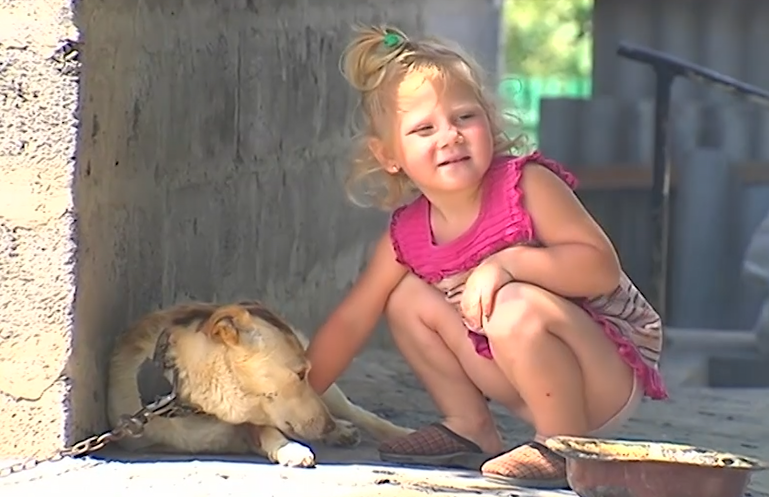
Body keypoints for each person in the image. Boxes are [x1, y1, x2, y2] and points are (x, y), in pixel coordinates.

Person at [296, 24, 668, 489]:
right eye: (424, 129)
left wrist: (506, 264)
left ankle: (563, 443)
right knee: (404, 299)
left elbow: (599, 268)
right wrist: (291, 400)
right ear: (388, 154)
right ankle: (469, 425)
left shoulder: (525, 186)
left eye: (464, 117)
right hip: (516, 372)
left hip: (602, 371)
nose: (449, 137)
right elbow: (352, 321)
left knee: (512, 303)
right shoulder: (406, 235)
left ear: (489, 123)